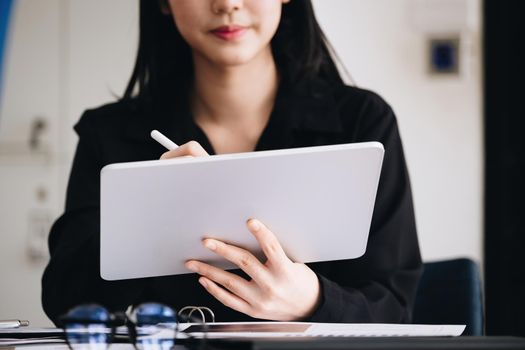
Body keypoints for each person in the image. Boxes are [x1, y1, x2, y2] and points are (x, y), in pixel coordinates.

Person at [42, 0, 422, 325]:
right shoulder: (108, 133)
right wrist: (149, 212)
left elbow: (394, 307)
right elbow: (65, 301)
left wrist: (311, 301)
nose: (226, 4)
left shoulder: (362, 122)